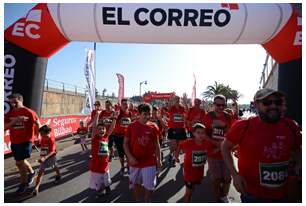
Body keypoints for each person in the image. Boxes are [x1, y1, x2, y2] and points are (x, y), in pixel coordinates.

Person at [221, 88, 302, 203]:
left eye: (277, 102)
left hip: (284, 195)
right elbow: (225, 147)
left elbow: (297, 149)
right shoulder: (243, 126)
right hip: (253, 195)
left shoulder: (291, 126)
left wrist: (299, 163)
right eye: (267, 103)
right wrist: (235, 174)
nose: (273, 106)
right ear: (256, 105)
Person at [123, 103, 162, 202]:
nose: (147, 116)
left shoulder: (154, 127)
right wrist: (130, 157)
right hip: (135, 162)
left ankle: (147, 200)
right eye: (145, 114)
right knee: (136, 184)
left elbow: (157, 144)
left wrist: (159, 159)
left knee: (149, 185)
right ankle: (138, 200)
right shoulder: (131, 126)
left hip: (149, 162)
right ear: (139, 114)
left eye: (149, 114)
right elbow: (125, 144)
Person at [4, 93, 41, 195]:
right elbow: (4, 127)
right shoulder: (9, 114)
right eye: (11, 103)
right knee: (21, 161)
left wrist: (38, 136)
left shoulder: (29, 112)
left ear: (21, 100)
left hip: (26, 141)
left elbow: (38, 124)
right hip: (14, 141)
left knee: (19, 163)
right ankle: (32, 173)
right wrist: (15, 120)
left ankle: (23, 184)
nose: (13, 105)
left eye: (15, 102)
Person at [203, 94, 233, 203]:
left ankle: (224, 196)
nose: (220, 107)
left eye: (223, 105)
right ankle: (217, 200)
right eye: (218, 105)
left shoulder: (228, 117)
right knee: (216, 180)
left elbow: (230, 135)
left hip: (225, 153)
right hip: (212, 153)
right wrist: (216, 145)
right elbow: (204, 135)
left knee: (227, 179)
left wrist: (223, 147)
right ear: (214, 104)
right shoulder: (208, 116)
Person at [175, 123, 210, 202]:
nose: (200, 135)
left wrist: (221, 148)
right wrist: (176, 156)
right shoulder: (189, 143)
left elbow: (211, 151)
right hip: (189, 173)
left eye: (203, 133)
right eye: (198, 132)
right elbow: (180, 145)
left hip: (199, 172)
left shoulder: (206, 143)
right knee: (188, 193)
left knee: (192, 189)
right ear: (193, 133)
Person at [89, 113, 117, 198]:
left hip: (105, 165)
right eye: (99, 129)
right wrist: (97, 115)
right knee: (98, 183)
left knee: (107, 180)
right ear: (96, 131)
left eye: (103, 129)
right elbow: (94, 127)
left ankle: (107, 187)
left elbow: (111, 128)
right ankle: (99, 192)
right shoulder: (94, 138)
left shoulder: (106, 136)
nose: (101, 130)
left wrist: (115, 119)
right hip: (96, 167)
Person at [32, 125, 61, 195]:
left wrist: (44, 157)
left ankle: (58, 175)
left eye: (42, 133)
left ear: (46, 133)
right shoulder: (42, 137)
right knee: (40, 172)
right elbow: (42, 147)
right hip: (44, 155)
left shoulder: (51, 138)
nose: (40, 135)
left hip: (51, 156)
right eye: (40, 134)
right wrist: (38, 145)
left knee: (54, 166)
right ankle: (36, 188)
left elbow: (53, 151)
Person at [112, 99, 132, 176]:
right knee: (121, 154)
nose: (125, 105)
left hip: (127, 136)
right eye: (124, 104)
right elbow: (113, 122)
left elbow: (130, 124)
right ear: (121, 105)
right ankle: (122, 167)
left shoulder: (129, 113)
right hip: (118, 136)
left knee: (128, 153)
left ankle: (128, 167)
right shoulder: (118, 113)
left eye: (126, 104)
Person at [167, 96, 187, 167]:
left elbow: (186, 112)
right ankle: (171, 155)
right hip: (173, 128)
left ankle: (176, 157)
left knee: (180, 144)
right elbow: (168, 108)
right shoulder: (172, 108)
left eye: (178, 100)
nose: (177, 101)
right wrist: (170, 100)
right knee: (174, 145)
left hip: (181, 128)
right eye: (176, 100)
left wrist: (185, 102)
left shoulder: (182, 108)